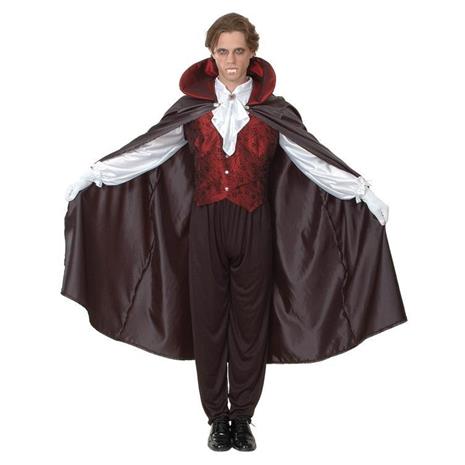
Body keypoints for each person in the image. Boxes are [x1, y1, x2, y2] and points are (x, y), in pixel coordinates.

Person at [62, 12, 407, 452]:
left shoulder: (274, 112)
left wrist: (361, 191)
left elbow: (312, 159)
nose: (230, 60)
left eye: (238, 51)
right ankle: (216, 418)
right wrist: (96, 174)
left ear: (252, 54)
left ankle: (242, 416)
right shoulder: (191, 109)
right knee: (207, 321)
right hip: (205, 225)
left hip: (255, 224)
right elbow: (148, 150)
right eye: (222, 51)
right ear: (211, 54)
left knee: (250, 324)